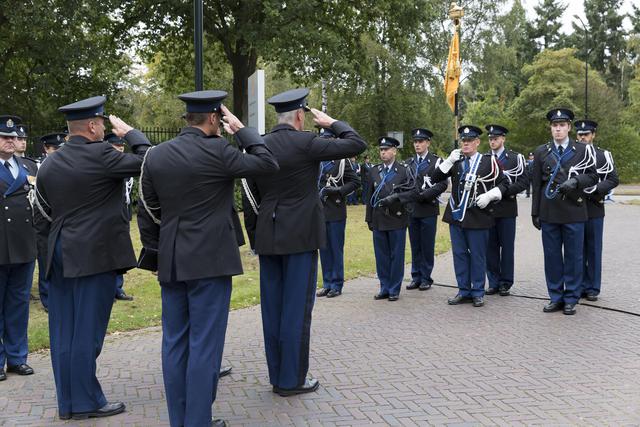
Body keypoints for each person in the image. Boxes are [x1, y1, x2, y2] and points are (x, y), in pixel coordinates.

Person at [138, 90, 278, 427]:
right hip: (211, 261)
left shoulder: (156, 155)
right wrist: (242, 130)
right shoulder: (220, 151)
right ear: (215, 118)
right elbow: (268, 163)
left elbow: (148, 209)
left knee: (174, 343)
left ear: (188, 118)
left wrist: (158, 248)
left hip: (172, 260)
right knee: (204, 344)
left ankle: (180, 420)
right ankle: (198, 420)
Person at [243, 88, 366, 397]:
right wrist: (332, 122)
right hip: (300, 235)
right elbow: (357, 144)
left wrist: (257, 231)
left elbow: (251, 193)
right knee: (296, 309)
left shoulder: (259, 145)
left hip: (269, 234)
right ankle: (291, 379)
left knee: (272, 308)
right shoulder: (307, 142)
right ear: (300, 115)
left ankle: (276, 375)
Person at [35, 96, 151, 420]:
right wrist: (130, 133)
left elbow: (41, 216)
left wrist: (47, 259)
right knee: (87, 330)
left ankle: (68, 403)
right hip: (93, 254)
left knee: (64, 331)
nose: (103, 128)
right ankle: (86, 402)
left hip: (59, 253)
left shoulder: (51, 163)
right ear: (91, 126)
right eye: (101, 122)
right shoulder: (102, 155)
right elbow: (149, 160)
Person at [430, 125, 508, 307]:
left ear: (477, 142)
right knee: (459, 255)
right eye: (463, 141)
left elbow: (504, 183)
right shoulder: (456, 161)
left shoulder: (489, 161)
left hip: (478, 216)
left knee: (478, 255)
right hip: (457, 216)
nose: (465, 144)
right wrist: (448, 160)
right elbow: (434, 178)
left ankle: (478, 291)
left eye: (469, 141)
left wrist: (490, 195)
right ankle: (464, 290)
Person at [531, 108, 598, 315]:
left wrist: (576, 180)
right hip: (549, 211)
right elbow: (536, 185)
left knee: (574, 256)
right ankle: (556, 296)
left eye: (562, 125)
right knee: (551, 256)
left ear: (569, 127)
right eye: (554, 126)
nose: (558, 129)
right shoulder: (542, 151)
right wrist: (535, 212)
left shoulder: (582, 150)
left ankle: (571, 297)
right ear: (551, 128)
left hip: (574, 210)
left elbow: (593, 176)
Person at [0, 115, 37, 382]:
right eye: (5, 137)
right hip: (1, 243)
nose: (11, 141)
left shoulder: (27, 165)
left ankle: (16, 358)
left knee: (18, 303)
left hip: (24, 244)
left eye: (13, 137)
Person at [573, 119, 619, 301]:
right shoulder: (572, 155)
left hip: (594, 207)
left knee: (593, 249)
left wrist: (597, 188)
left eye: (586, 134)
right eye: (580, 134)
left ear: (593, 135)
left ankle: (592, 287)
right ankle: (578, 286)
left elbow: (613, 179)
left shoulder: (603, 155)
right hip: (573, 207)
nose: (583, 137)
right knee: (576, 250)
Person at [400, 128, 447, 292]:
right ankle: (416, 276)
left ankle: (426, 277)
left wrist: (426, 195)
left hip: (428, 208)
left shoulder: (436, 162)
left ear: (428, 143)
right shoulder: (408, 162)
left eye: (421, 141)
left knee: (427, 245)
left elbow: (442, 184)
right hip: (412, 209)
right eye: (415, 142)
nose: (417, 144)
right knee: (415, 245)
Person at [484, 125, 529, 296]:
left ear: (503, 139)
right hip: (488, 210)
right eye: (490, 138)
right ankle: (493, 281)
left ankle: (506, 282)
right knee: (491, 247)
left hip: (507, 207)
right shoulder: (485, 158)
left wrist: (502, 192)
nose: (493, 141)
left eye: (496, 138)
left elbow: (524, 182)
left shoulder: (515, 158)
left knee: (507, 247)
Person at [316, 128, 361, 299]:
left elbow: (355, 182)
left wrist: (338, 190)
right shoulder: (317, 161)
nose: (325, 142)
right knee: (324, 249)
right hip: (320, 210)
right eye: (323, 139)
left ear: (334, 140)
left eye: (328, 139)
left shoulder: (342, 162)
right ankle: (327, 283)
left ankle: (336, 283)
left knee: (335, 248)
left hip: (335, 210)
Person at [366, 136, 411, 301]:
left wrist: (396, 198)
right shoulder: (374, 170)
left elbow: (412, 192)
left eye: (386, 149)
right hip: (378, 219)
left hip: (396, 218)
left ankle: (394, 288)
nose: (383, 153)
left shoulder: (404, 170)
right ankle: (384, 286)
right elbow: (369, 196)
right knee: (381, 256)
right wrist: (369, 218)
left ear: (394, 151)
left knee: (396, 255)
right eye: (381, 150)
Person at [105, 133, 134, 302]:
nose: (120, 149)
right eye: (117, 147)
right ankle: (109, 289)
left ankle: (118, 287)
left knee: (120, 253)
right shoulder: (107, 165)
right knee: (108, 254)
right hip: (109, 216)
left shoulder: (125, 166)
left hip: (123, 213)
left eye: (122, 147)